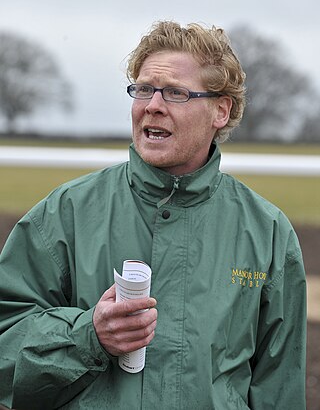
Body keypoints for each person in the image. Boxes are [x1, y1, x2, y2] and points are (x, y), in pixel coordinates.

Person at [0, 21, 306, 409]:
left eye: (175, 92)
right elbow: (5, 346)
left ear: (220, 110)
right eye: (144, 89)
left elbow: (280, 391)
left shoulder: (269, 234)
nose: (153, 105)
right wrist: (88, 336)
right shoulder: (65, 213)